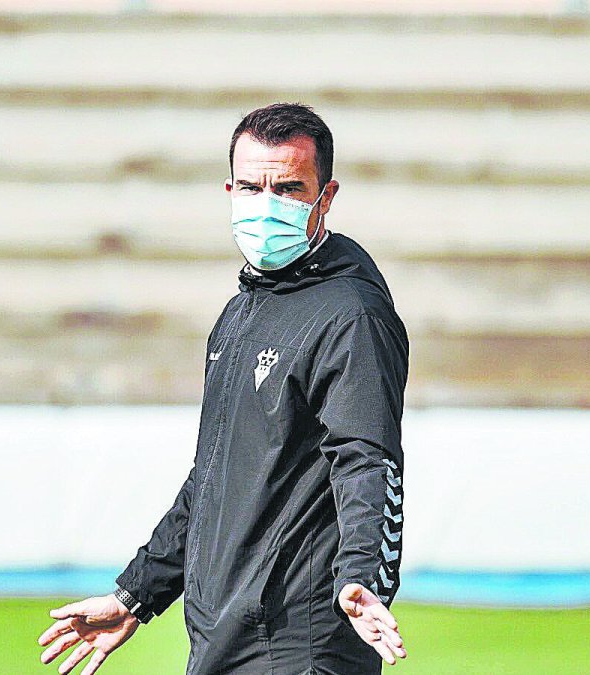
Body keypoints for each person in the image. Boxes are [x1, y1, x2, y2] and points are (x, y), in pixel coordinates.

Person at [38, 103, 410, 675]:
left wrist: (363, 576)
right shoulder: (243, 311)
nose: (267, 205)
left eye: (288, 188)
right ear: (230, 189)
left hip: (298, 646)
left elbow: (366, 459)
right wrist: (137, 594)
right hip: (224, 638)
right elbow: (214, 477)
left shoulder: (350, 315)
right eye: (251, 187)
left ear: (325, 197)